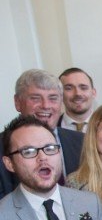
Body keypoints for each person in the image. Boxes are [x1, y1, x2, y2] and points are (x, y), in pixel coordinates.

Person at [1, 69, 84, 200]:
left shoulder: (82, 142)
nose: (46, 105)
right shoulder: (3, 146)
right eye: (35, 98)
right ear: (17, 102)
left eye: (53, 98)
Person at [59, 67, 97, 132]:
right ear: (59, 94)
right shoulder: (49, 129)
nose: (78, 93)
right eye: (69, 88)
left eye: (83, 88)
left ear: (93, 93)